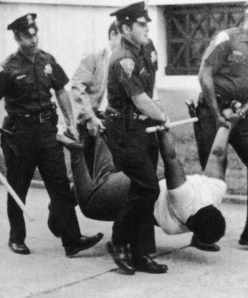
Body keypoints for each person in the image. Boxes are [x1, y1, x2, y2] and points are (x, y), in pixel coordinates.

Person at [0, 13, 103, 257]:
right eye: (26, 36)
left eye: (35, 34)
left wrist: (70, 122)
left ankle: (72, 240)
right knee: (18, 185)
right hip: (19, 135)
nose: (33, 40)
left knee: (60, 185)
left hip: (46, 132)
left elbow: (61, 91)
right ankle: (17, 238)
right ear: (16, 37)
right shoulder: (7, 68)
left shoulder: (47, 61)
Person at [58, 108, 241, 257]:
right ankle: (76, 152)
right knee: (90, 203)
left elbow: (217, 154)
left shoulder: (215, 191)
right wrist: (163, 128)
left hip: (136, 180)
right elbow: (170, 158)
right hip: (134, 189)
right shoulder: (184, 201)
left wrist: (227, 125)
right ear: (190, 225)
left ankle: (99, 124)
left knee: (107, 170)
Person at [196, 0, 248, 247]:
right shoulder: (226, 38)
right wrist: (215, 112)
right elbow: (205, 73)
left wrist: (243, 111)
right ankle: (202, 233)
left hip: (239, 114)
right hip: (213, 111)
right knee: (213, 171)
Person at [103, 1, 170, 275]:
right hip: (125, 132)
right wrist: (162, 117)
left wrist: (155, 115)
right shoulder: (122, 60)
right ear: (126, 27)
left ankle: (141, 253)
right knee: (148, 187)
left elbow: (149, 89)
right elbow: (141, 100)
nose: (146, 28)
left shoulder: (148, 48)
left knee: (142, 190)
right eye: (141, 25)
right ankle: (118, 240)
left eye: (146, 24)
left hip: (144, 130)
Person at [70, 21, 119, 174]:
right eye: (124, 39)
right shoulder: (95, 57)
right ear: (113, 35)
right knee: (89, 171)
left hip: (115, 122)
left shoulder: (126, 60)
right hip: (92, 121)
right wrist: (90, 117)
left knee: (113, 171)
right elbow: (77, 87)